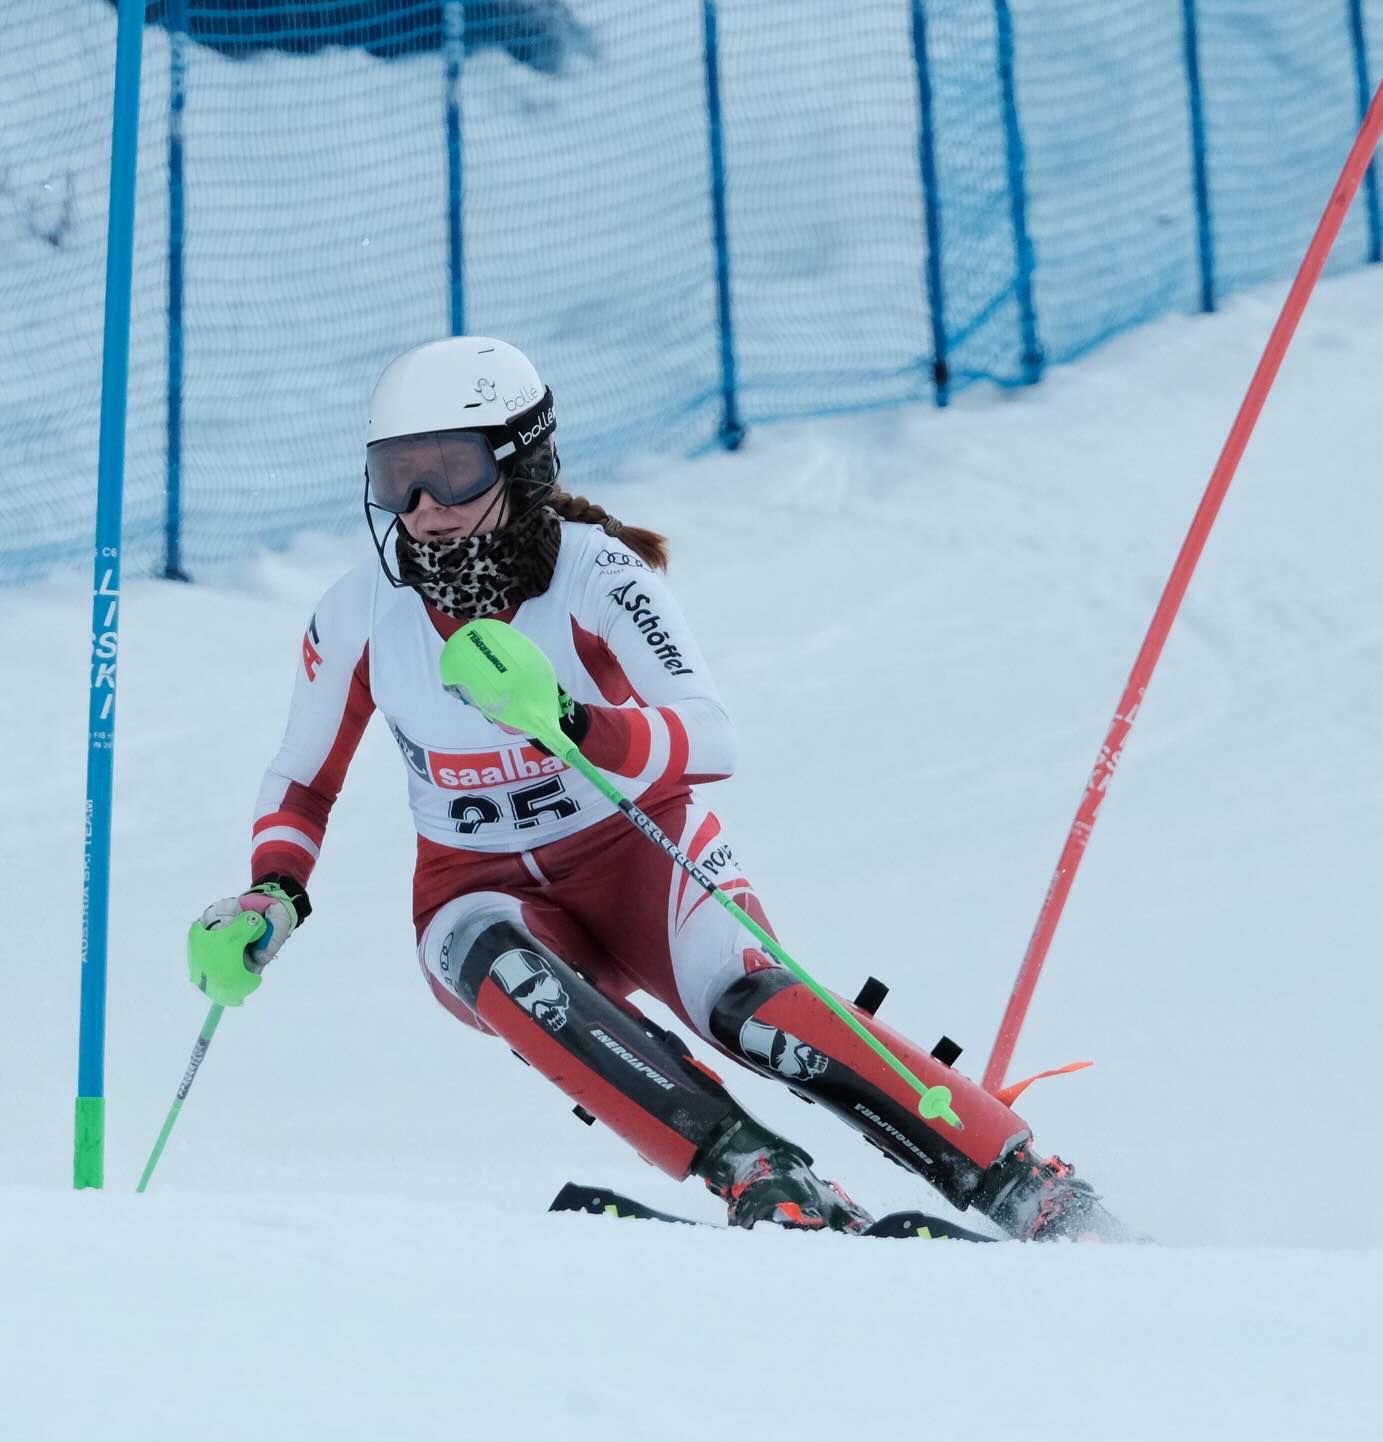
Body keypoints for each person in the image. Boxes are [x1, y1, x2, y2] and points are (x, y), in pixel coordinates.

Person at [192, 336, 1118, 1239]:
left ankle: (1022, 1179)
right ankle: (760, 1172)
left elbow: (713, 735)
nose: (425, 508)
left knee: (747, 1005)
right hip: (473, 889)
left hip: (641, 858)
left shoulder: (597, 573)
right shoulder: (360, 611)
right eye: (399, 478)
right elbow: (302, 780)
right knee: (503, 966)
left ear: (522, 465)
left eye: (453, 472)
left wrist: (570, 718)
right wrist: (273, 893)